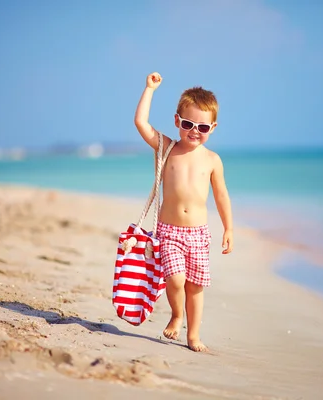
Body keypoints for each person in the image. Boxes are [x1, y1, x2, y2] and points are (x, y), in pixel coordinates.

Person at [134, 72, 233, 352]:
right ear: (177, 121)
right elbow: (141, 123)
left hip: (198, 234)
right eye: (188, 124)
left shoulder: (213, 160)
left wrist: (229, 228)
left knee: (195, 287)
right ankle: (177, 315)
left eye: (202, 127)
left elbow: (222, 195)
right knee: (176, 280)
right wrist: (149, 89)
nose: (194, 131)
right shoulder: (167, 148)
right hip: (169, 231)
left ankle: (194, 335)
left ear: (213, 128)